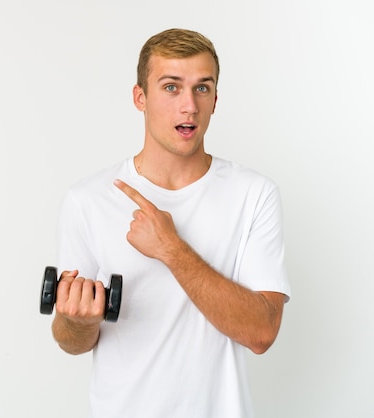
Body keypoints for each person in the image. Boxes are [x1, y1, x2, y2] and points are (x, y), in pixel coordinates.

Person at [50, 28, 291, 418]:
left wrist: (171, 249)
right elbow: (70, 341)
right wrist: (78, 321)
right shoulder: (88, 200)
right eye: (171, 87)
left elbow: (262, 332)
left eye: (202, 88)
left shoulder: (254, 195)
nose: (189, 107)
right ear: (140, 97)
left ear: (216, 100)